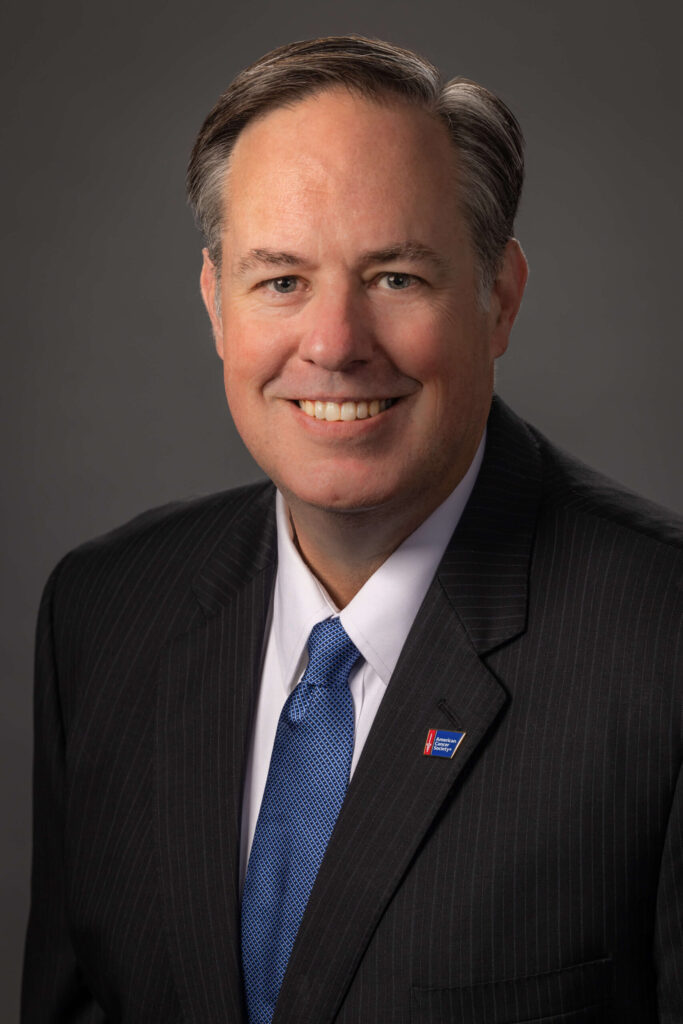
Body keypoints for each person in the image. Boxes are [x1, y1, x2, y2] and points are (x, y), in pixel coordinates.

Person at [22, 35, 682, 1024]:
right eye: (280, 280)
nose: (331, 344)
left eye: (395, 278)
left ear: (496, 298)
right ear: (214, 303)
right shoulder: (104, 615)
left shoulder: (657, 644)